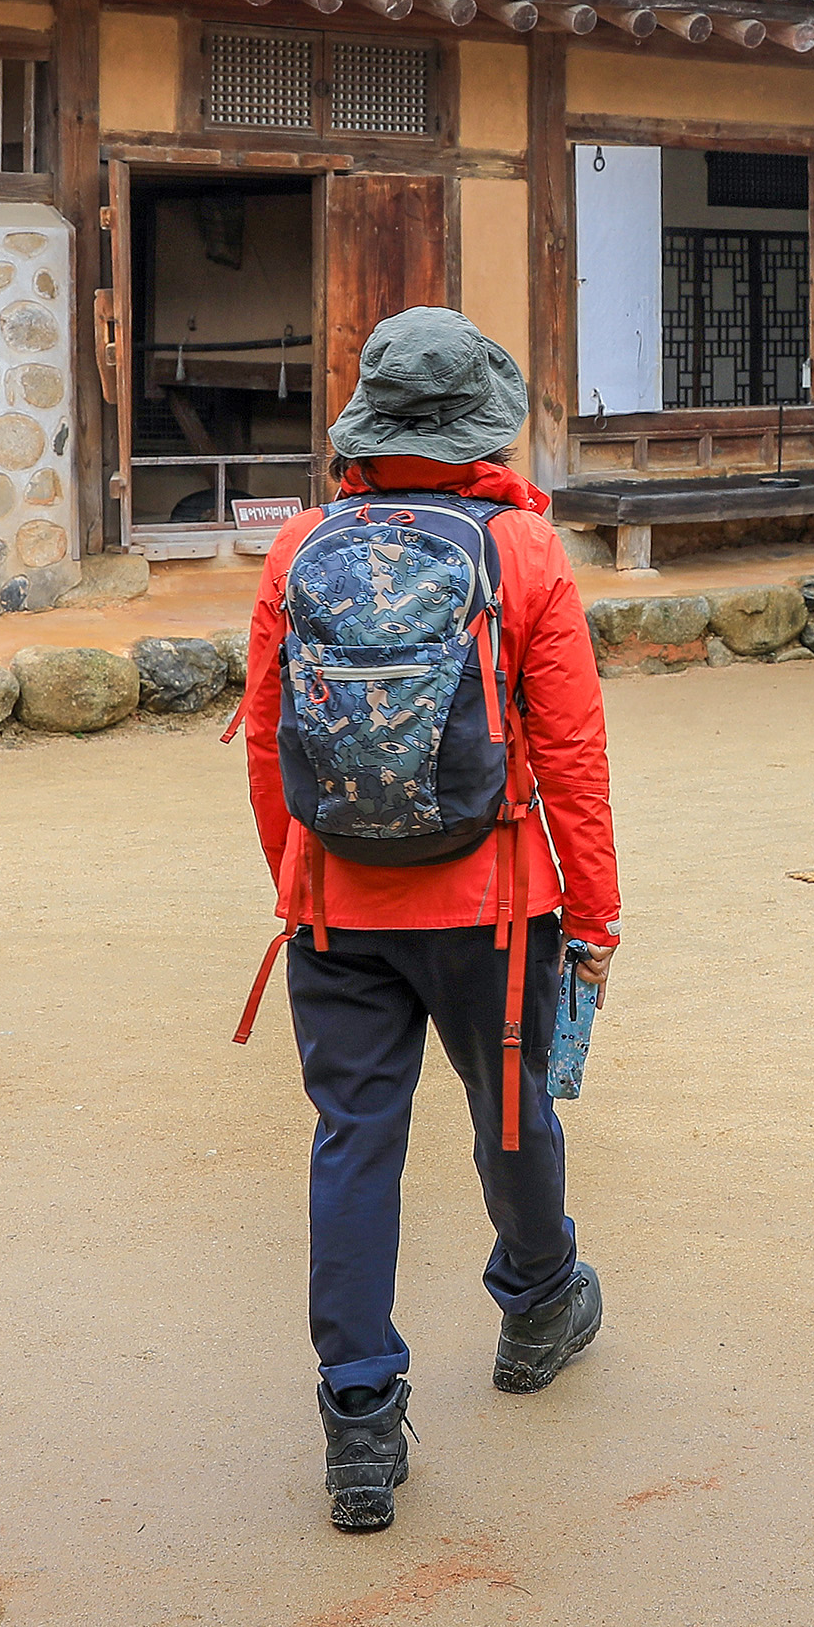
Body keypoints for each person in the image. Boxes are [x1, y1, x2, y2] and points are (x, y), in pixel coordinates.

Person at [236, 308, 619, 1534]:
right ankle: (539, 1299)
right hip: (494, 903)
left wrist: (301, 878)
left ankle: (358, 1416)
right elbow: (571, 753)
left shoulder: (299, 545)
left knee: (353, 1138)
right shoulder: (523, 551)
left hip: (333, 905)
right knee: (509, 1108)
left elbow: (265, 741)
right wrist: (595, 914)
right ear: (475, 427)